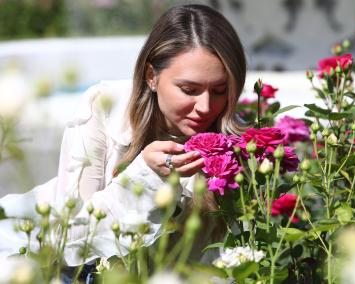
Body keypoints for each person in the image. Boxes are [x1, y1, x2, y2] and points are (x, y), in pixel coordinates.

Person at [0, 4, 246, 268]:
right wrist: (147, 177)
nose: (206, 107)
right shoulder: (106, 110)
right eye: (189, 89)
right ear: (151, 76)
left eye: (220, 90)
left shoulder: (239, 141)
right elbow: (73, 238)